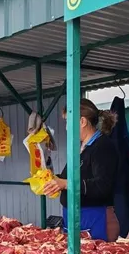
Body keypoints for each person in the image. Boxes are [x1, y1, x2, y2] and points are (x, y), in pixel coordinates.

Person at [43, 99, 120, 242]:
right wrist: (53, 181)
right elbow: (70, 178)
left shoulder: (102, 146)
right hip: (76, 219)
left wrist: (65, 184)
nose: (66, 127)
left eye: (67, 121)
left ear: (82, 121)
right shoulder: (81, 148)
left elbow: (102, 185)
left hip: (95, 219)